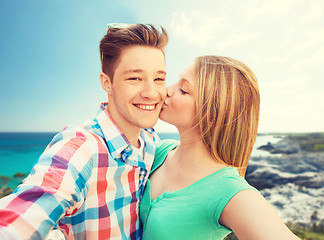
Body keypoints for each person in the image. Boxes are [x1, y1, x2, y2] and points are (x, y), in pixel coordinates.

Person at [0, 23, 168, 240]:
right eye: (135, 78)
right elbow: (25, 214)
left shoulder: (150, 141)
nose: (150, 92)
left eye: (159, 79)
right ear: (107, 83)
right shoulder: (82, 147)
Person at [140, 56, 300, 239]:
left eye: (183, 90)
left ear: (213, 114)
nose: (166, 90)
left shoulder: (229, 191)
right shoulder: (158, 150)